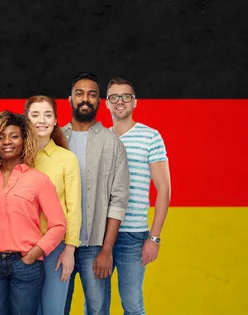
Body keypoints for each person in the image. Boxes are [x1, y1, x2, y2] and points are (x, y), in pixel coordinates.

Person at [0, 111, 67, 315]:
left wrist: (36, 252)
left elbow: (59, 224)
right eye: (0, 137)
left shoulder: (38, 180)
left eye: (14, 136)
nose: (7, 141)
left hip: (26, 264)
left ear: (24, 140)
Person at [62, 72, 130, 315]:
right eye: (79, 93)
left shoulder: (112, 143)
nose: (85, 99)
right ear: (70, 99)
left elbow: (118, 201)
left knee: (98, 310)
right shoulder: (55, 139)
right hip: (59, 244)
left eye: (92, 94)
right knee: (56, 309)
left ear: (99, 101)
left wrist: (106, 250)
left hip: (95, 245)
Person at [106, 78, 171, 315]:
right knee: (94, 306)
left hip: (133, 235)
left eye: (126, 97)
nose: (120, 102)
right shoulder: (101, 137)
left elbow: (163, 188)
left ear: (135, 102)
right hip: (98, 236)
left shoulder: (150, 137)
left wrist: (153, 238)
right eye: (114, 97)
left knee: (132, 306)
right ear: (107, 104)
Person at [24, 96, 82, 315]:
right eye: (35, 115)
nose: (42, 120)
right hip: (23, 247)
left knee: (52, 310)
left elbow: (74, 207)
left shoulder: (67, 159)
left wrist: (69, 250)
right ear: (26, 119)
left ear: (56, 120)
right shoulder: (16, 157)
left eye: (48, 115)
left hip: (56, 249)